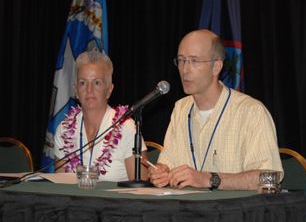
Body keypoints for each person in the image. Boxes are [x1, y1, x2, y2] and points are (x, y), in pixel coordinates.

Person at [149, 29, 283, 190]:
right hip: (187, 211)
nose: (185, 69)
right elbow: (167, 162)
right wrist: (162, 172)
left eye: (194, 61)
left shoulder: (251, 112)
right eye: (181, 60)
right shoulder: (181, 109)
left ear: (216, 66)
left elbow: (270, 178)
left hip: (235, 212)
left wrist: (211, 180)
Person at [54, 50, 148, 182]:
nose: (89, 89)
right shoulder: (64, 130)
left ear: (109, 90)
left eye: (97, 82)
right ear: (76, 90)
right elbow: (58, 186)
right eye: (82, 82)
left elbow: (141, 191)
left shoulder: (127, 128)